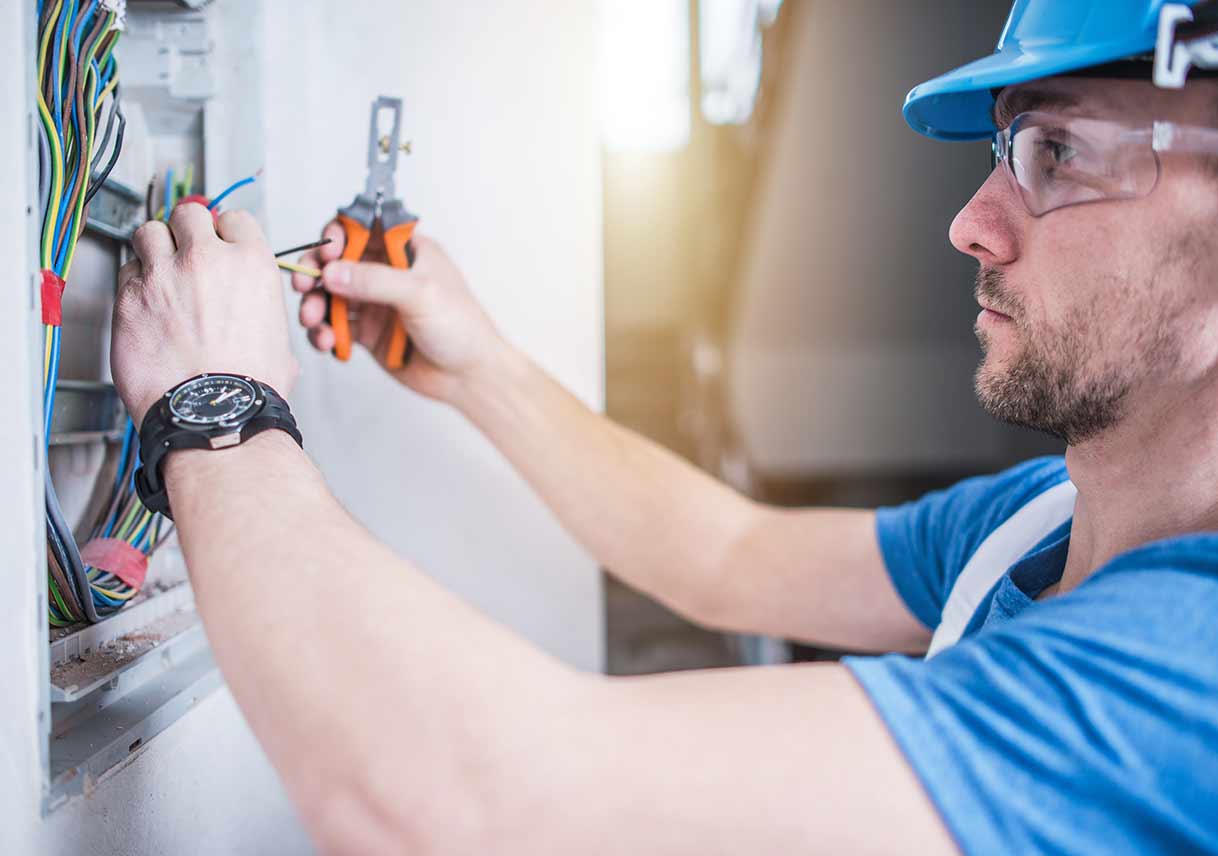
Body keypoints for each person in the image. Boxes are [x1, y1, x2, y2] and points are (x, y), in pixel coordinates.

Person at [109, 0, 1218, 852]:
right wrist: (479, 365)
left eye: (1055, 155)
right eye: (1002, 151)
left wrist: (216, 410)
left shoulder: (1186, 678)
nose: (970, 223)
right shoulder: (1037, 524)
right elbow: (729, 554)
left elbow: (467, 800)